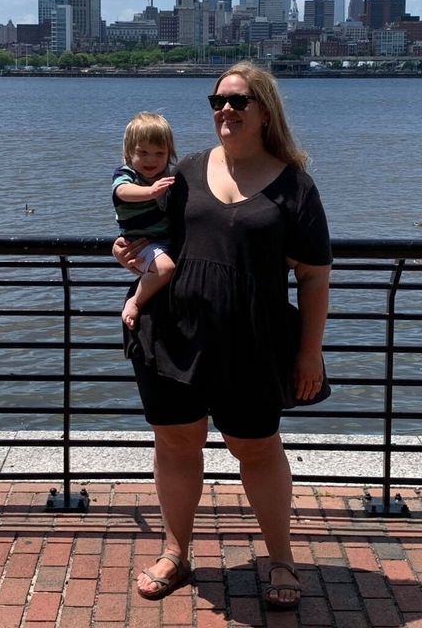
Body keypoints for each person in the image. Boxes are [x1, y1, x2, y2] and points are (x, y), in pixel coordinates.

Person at [113, 62, 332, 610]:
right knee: (176, 443)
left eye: (238, 101)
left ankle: (280, 558)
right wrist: (126, 256)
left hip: (254, 342)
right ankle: (176, 551)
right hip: (175, 332)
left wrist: (310, 353)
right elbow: (143, 235)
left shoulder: (294, 185)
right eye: (217, 102)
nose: (225, 110)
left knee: (256, 447)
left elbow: (313, 275)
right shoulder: (182, 172)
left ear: (265, 111)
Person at [112, 112, 177, 330]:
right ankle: (135, 302)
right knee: (166, 269)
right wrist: (149, 191)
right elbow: (122, 191)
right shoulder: (127, 174)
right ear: (129, 153)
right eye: (143, 152)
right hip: (141, 242)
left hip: (163, 241)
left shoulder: (169, 174)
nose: (151, 160)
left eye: (160, 153)